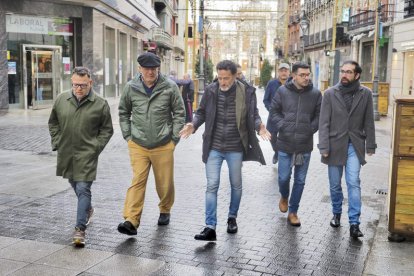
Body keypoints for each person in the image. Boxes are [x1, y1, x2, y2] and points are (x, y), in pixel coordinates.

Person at [180, 60, 271, 241]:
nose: (222, 82)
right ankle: (210, 226)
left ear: (235, 75)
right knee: (212, 185)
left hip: (235, 147)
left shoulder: (245, 92)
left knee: (236, 184)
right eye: (220, 78)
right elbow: (201, 112)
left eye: (226, 78)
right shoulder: (211, 91)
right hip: (214, 146)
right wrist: (194, 124)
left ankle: (232, 217)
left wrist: (260, 126)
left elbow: (253, 115)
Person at [117, 52, 185, 236]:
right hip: (138, 143)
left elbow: (180, 113)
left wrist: (173, 139)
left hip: (163, 144)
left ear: (158, 69)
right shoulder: (130, 87)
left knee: (164, 183)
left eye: (154, 69)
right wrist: (128, 136)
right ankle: (131, 220)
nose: (150, 72)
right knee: (137, 181)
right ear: (139, 69)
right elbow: (123, 112)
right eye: (147, 69)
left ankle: (165, 208)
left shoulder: (169, 87)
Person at [48, 66, 114, 247]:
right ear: (72, 82)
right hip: (66, 152)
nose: (79, 89)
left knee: (84, 187)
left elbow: (107, 130)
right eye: (76, 85)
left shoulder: (100, 104)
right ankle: (87, 209)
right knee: (73, 181)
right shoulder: (62, 99)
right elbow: (53, 122)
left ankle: (80, 229)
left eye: (83, 85)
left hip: (87, 153)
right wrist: (57, 141)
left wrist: (96, 147)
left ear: (90, 82)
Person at [318, 60, 376, 239]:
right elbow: (324, 122)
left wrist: (371, 145)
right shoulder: (329, 93)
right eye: (342, 71)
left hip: (354, 145)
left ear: (357, 75)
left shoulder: (365, 93)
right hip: (334, 145)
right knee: (335, 185)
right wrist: (324, 146)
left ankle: (354, 223)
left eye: (349, 72)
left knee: (353, 182)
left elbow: (369, 121)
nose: (344, 75)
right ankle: (336, 213)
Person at [269, 61, 321, 227]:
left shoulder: (316, 94)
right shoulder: (282, 91)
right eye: (302, 75)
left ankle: (293, 212)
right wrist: (283, 125)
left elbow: (319, 116)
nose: (306, 78)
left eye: (308, 75)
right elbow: (274, 111)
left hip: (304, 144)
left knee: (300, 180)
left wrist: (310, 129)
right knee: (284, 177)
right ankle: (284, 196)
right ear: (293, 75)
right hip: (285, 143)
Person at [263, 63, 291, 164]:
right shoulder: (271, 84)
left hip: (288, 116)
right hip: (273, 116)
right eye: (281, 71)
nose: (283, 73)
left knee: (287, 137)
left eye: (286, 70)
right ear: (278, 72)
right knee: (272, 137)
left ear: (289, 72)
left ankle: (284, 156)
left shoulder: (293, 83)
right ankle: (277, 152)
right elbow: (266, 99)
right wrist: (271, 109)